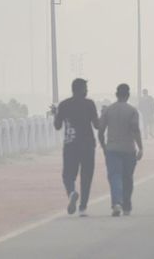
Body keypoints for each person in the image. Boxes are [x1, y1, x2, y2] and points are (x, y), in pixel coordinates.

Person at [53, 78, 99, 217]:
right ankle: (83, 208)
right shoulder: (89, 104)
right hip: (87, 145)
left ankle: (72, 192)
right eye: (85, 88)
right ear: (80, 89)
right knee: (86, 176)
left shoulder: (64, 105)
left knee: (68, 174)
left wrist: (56, 114)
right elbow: (97, 125)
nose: (87, 91)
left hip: (70, 144)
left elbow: (57, 126)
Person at [98, 84, 143, 217]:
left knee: (115, 177)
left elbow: (100, 131)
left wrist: (103, 146)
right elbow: (135, 129)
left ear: (116, 94)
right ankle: (127, 206)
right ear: (128, 95)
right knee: (127, 178)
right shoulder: (132, 110)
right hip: (129, 149)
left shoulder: (108, 110)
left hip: (112, 149)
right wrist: (140, 147)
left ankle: (117, 203)